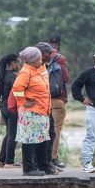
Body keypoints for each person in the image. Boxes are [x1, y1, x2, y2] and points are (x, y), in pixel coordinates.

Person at [11, 46, 51, 177]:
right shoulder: (26, 72)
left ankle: (42, 165)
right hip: (31, 113)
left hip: (41, 111)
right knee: (29, 140)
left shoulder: (38, 69)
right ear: (32, 60)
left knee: (41, 139)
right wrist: (23, 102)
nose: (41, 60)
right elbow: (17, 88)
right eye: (39, 59)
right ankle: (28, 168)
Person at [36, 42, 61, 174]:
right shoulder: (32, 68)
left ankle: (46, 163)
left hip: (46, 107)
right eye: (49, 53)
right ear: (41, 54)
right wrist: (25, 101)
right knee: (40, 137)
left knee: (50, 134)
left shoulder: (44, 67)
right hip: (36, 109)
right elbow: (18, 89)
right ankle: (41, 165)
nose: (51, 55)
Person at [46, 33, 70, 169]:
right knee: (55, 130)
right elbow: (65, 78)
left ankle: (40, 158)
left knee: (43, 129)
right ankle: (53, 158)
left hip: (42, 99)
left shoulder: (39, 57)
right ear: (59, 44)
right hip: (58, 99)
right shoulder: (60, 58)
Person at [0, 52, 21, 168]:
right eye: (18, 62)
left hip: (3, 107)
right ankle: (9, 161)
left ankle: (1, 160)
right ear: (12, 63)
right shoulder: (12, 77)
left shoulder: (4, 75)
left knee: (9, 133)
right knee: (13, 134)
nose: (19, 64)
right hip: (11, 108)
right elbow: (18, 92)